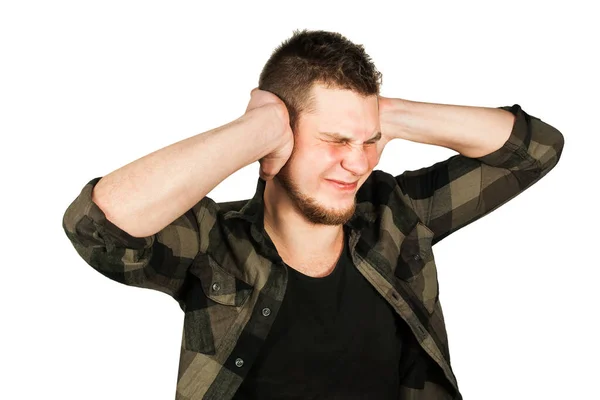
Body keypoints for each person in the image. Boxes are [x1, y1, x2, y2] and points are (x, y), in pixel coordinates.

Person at [62, 29, 564, 400]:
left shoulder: (396, 216)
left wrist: (388, 114)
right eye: (335, 141)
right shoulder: (214, 244)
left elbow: (535, 150)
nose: (359, 162)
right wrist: (257, 129)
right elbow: (97, 227)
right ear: (280, 137)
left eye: (369, 142)